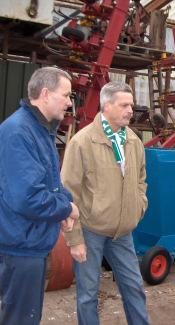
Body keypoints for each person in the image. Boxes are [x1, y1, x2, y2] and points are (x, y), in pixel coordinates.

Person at [61, 81, 149, 325]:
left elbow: (141, 179)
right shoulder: (82, 142)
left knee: (134, 289)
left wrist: (138, 206)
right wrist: (74, 240)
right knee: (88, 295)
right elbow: (68, 194)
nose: (130, 110)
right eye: (124, 105)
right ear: (107, 105)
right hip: (91, 231)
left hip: (123, 233)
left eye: (131, 104)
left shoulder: (133, 141)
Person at [0, 67, 79, 325]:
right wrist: (66, 210)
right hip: (19, 246)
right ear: (45, 94)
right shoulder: (19, 132)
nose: (70, 102)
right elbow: (28, 198)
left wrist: (66, 203)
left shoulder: (40, 130)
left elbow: (50, 183)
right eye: (66, 95)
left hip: (29, 242)